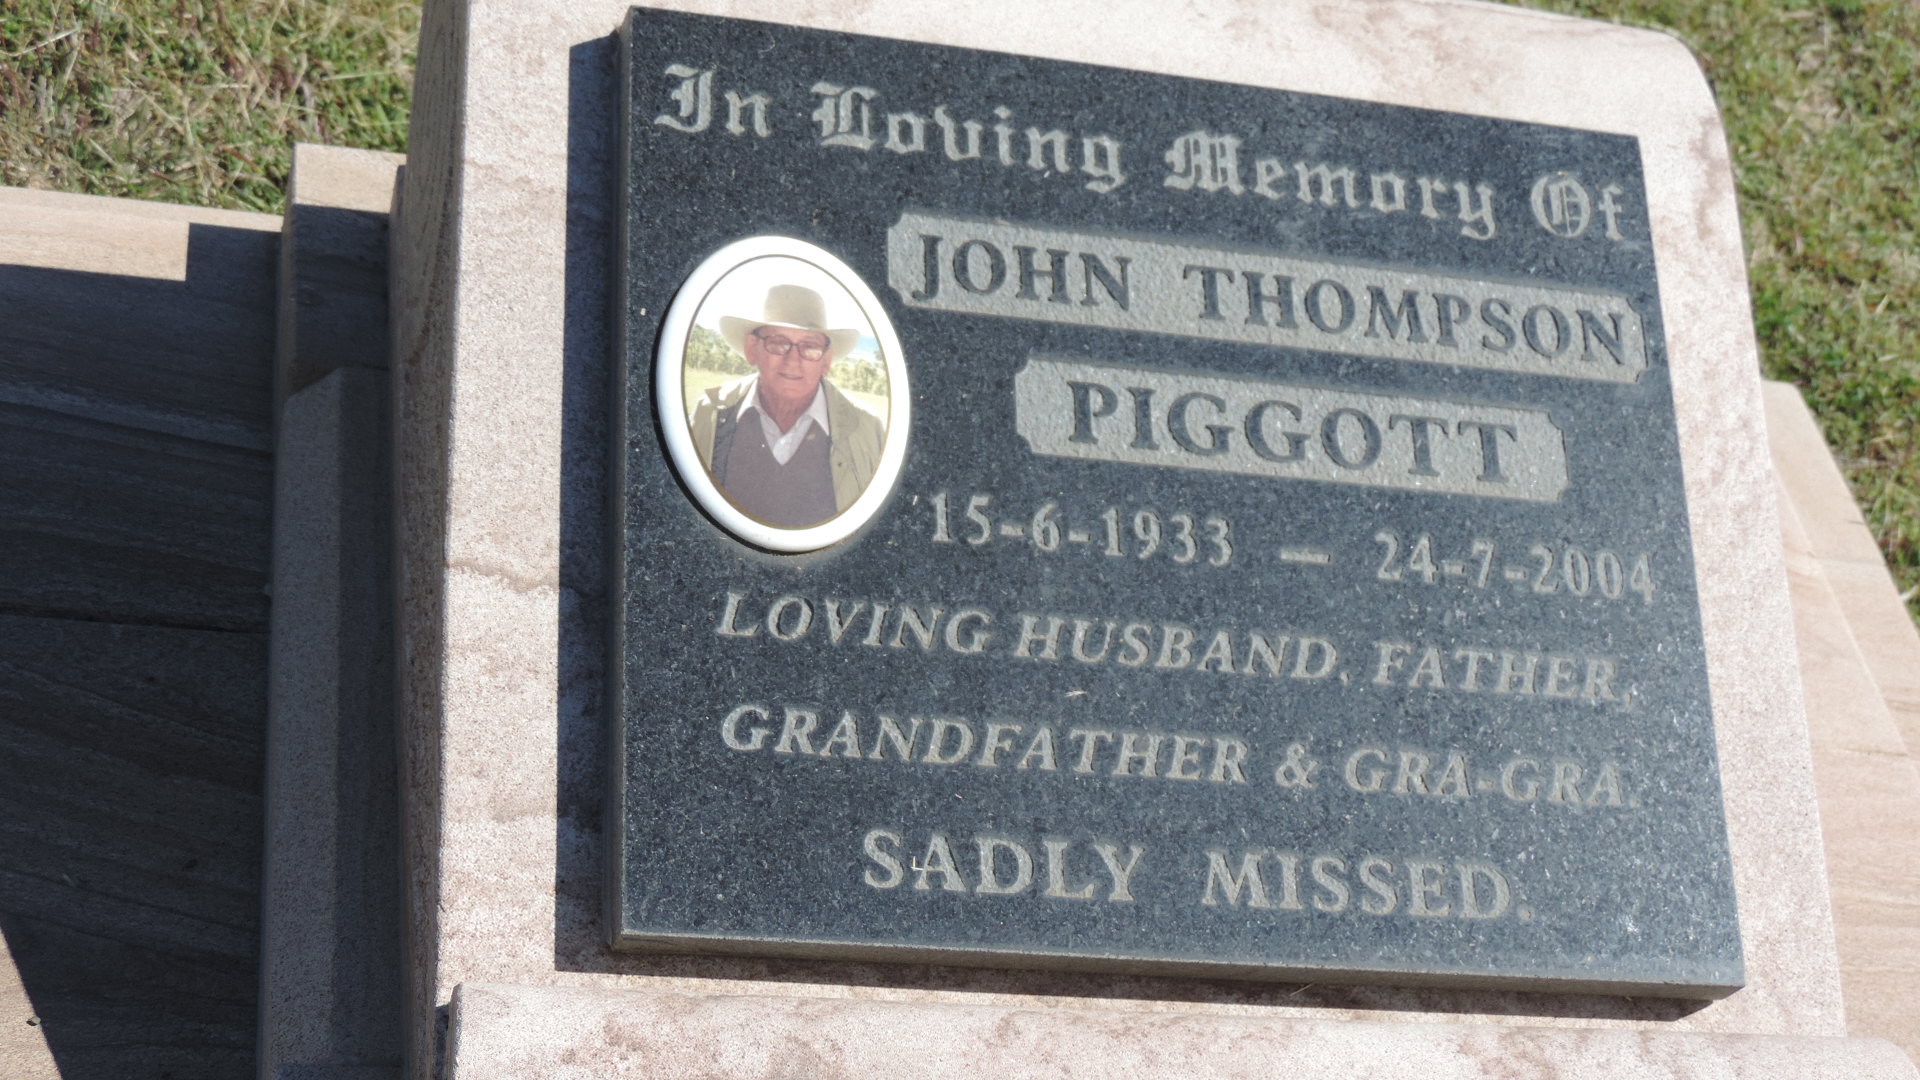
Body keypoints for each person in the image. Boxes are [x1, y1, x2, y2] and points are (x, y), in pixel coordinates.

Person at [690, 283, 886, 529]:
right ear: (752, 349)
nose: (793, 360)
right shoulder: (710, 412)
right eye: (778, 342)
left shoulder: (867, 430)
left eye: (810, 346)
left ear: (826, 362)